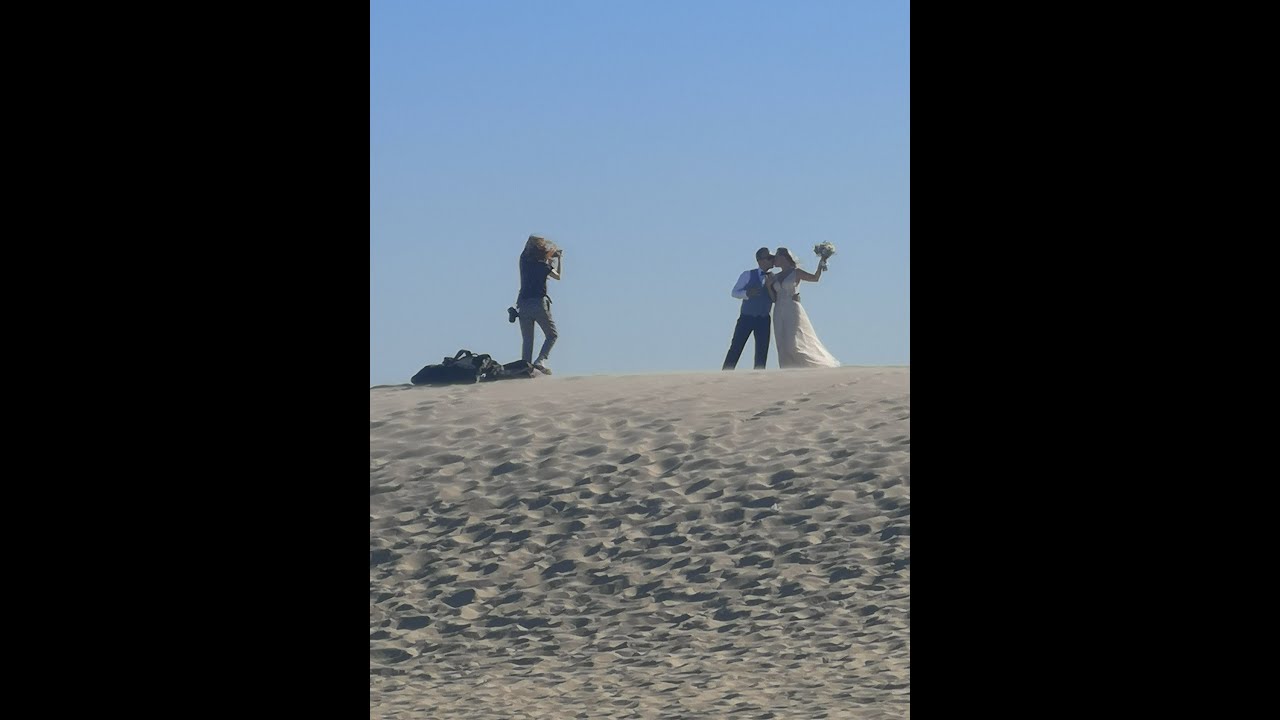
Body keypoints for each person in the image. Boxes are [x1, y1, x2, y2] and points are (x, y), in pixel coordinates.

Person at [766, 247, 840, 369]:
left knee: (793, 342)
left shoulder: (796, 272)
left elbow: (815, 278)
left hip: (792, 307)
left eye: (777, 257)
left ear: (784, 258)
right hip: (779, 310)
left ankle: (812, 365)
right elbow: (774, 299)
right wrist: (769, 286)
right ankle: (787, 369)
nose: (775, 260)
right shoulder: (775, 277)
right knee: (781, 342)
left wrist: (822, 262)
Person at [722, 247, 775, 370]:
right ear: (760, 260)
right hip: (747, 317)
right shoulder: (747, 275)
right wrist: (747, 293)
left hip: (763, 318)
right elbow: (734, 292)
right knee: (736, 347)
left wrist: (770, 287)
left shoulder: (773, 277)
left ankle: (759, 376)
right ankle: (726, 374)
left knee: (762, 349)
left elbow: (775, 297)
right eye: (769, 258)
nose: (772, 260)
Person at [515, 235, 561, 374]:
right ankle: (540, 360)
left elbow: (527, 249)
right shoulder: (543, 266)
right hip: (539, 304)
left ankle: (525, 369)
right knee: (552, 335)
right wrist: (558, 259)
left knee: (528, 340)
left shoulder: (523, 261)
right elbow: (558, 276)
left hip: (522, 304)